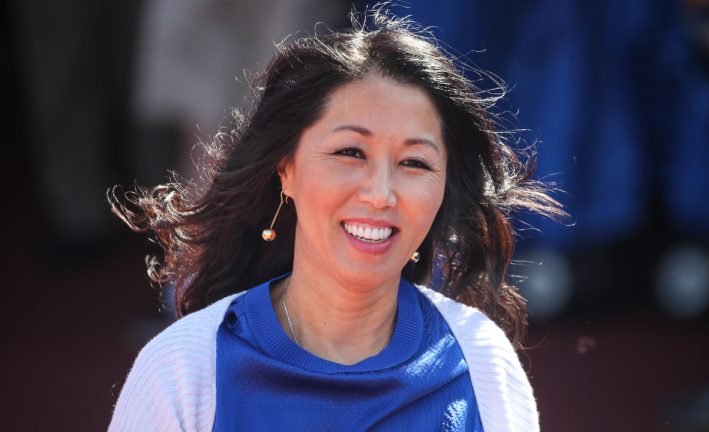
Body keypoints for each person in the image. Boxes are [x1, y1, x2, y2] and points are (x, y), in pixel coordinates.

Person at [108, 7, 563, 432]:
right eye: (350, 152)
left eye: (415, 163)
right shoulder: (183, 370)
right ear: (285, 169)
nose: (381, 194)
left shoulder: (481, 362)